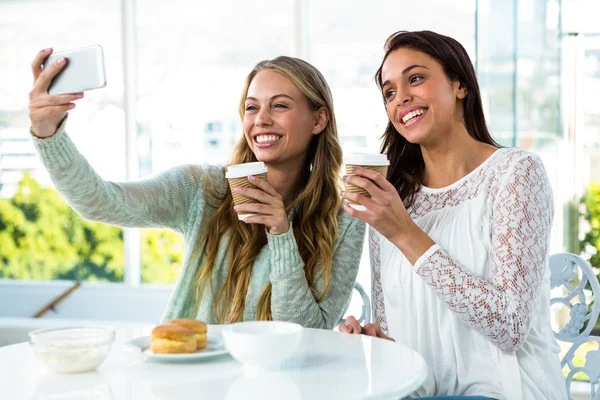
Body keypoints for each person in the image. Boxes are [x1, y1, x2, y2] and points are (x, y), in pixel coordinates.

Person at [28, 50, 365, 328]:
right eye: (251, 107)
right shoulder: (203, 189)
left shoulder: (346, 220)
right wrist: (48, 133)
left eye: (279, 105)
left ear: (319, 120)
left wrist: (280, 233)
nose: (260, 119)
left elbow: (307, 334)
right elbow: (101, 202)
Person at [338, 31, 567, 399]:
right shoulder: (394, 197)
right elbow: (395, 332)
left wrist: (405, 233)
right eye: (389, 92)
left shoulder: (515, 172)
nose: (402, 98)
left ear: (459, 85)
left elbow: (509, 326)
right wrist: (374, 342)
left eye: (415, 78)